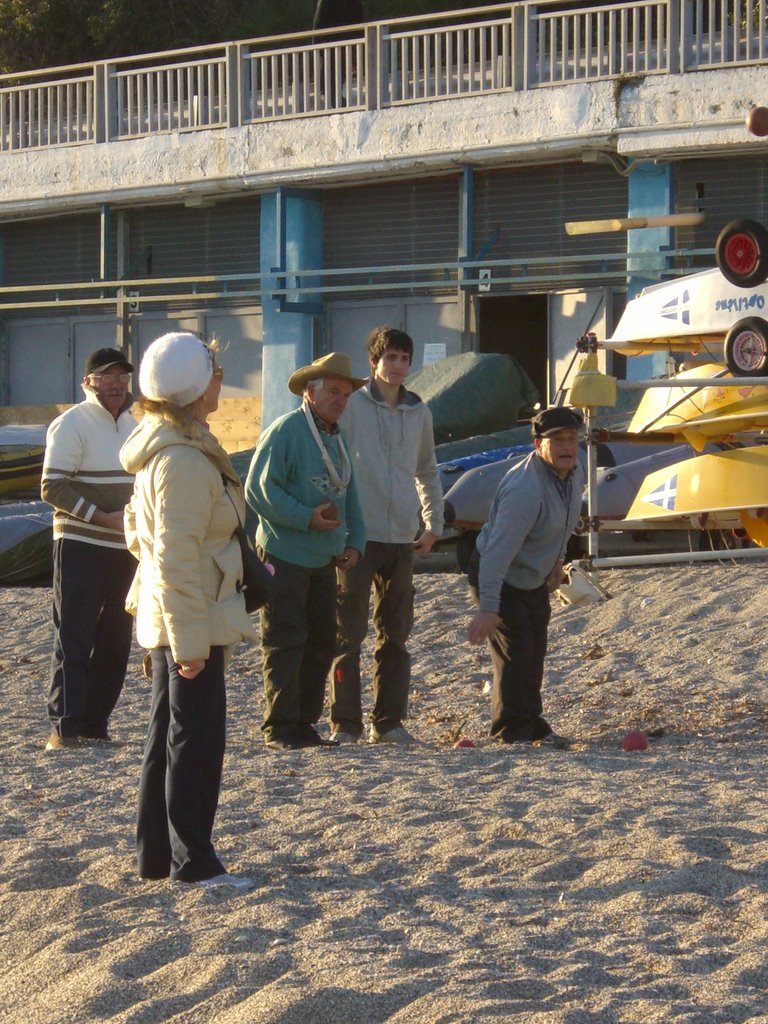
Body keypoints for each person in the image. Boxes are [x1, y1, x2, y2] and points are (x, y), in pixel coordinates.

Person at [120, 331, 257, 890]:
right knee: (195, 739)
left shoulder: (165, 445)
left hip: (175, 611)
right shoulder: (180, 457)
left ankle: (157, 856)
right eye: (215, 372)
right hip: (188, 615)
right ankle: (193, 862)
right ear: (199, 387)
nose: (222, 381)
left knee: (168, 736)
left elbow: (139, 534)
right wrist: (191, 644)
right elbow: (174, 555)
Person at [245, 352, 367, 751]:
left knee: (319, 641)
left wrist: (355, 541)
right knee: (285, 638)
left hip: (323, 558)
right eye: (334, 392)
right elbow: (258, 491)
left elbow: (350, 495)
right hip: (284, 553)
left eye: (346, 395)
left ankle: (304, 724)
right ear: (311, 393)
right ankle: (279, 726)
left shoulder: (338, 436)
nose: (341, 401)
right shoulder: (286, 431)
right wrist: (306, 517)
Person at [329, 326, 444, 746]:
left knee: (396, 632)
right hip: (358, 537)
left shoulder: (420, 412)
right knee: (348, 632)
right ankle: (345, 722)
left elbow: (427, 469)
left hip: (402, 539)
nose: (397, 366)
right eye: (390, 357)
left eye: (404, 358)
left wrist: (434, 526)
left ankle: (389, 721)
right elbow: (334, 464)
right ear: (374, 361)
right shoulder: (353, 407)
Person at [467, 406, 586, 748]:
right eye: (557, 440)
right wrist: (488, 608)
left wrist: (557, 563)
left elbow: (567, 522)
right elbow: (496, 555)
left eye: (572, 439)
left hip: (532, 573)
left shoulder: (573, 473)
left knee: (535, 649)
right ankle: (510, 730)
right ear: (538, 445)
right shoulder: (525, 488)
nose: (566, 446)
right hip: (497, 573)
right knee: (515, 651)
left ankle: (532, 723)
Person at [42, 347, 137, 751]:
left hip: (125, 546)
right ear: (88, 382)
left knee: (117, 636)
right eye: (106, 376)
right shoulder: (70, 424)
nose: (115, 383)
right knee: (74, 634)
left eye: (121, 376)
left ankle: (96, 724)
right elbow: (52, 486)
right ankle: (66, 726)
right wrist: (102, 517)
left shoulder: (135, 424)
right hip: (80, 543)